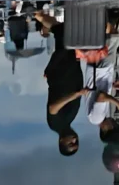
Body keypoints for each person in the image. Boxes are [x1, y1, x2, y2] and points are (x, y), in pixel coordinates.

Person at [36, 10, 82, 157]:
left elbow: (53, 108)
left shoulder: (56, 125)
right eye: (77, 143)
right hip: (70, 69)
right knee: (62, 32)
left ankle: (36, 15)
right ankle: (38, 15)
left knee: (64, 37)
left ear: (61, 142)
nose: (75, 140)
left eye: (71, 143)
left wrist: (75, 94)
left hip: (60, 74)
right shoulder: (69, 121)